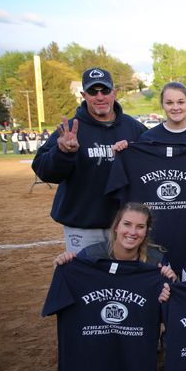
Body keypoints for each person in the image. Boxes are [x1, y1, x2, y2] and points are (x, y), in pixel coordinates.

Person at [50, 202, 176, 371]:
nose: (132, 232)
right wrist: (65, 267)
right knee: (75, 342)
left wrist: (171, 284)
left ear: (146, 232)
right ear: (116, 227)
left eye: (140, 227)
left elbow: (172, 311)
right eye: (127, 224)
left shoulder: (155, 262)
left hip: (134, 333)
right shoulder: (89, 256)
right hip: (94, 331)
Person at [32, 67, 146, 253]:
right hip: (83, 225)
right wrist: (63, 153)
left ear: (114, 93)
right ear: (84, 95)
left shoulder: (134, 128)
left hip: (126, 225)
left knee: (123, 279)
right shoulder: (70, 129)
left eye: (105, 90)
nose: (100, 97)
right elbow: (43, 171)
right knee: (85, 279)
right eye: (93, 91)